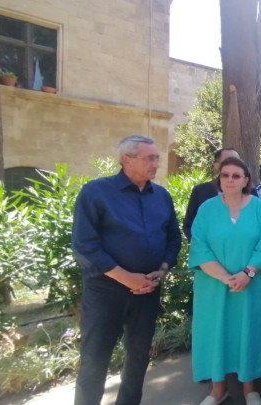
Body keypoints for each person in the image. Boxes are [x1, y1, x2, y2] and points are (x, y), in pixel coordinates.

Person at [71, 135, 182, 405]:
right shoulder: (96, 192)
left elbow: (173, 237)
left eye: (157, 158)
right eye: (150, 158)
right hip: (105, 291)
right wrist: (126, 278)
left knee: (139, 355)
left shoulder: (162, 196)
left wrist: (163, 268)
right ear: (126, 160)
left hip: (148, 289)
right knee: (95, 358)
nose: (156, 163)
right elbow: (84, 245)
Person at [188, 157, 261, 405]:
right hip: (214, 286)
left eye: (236, 175)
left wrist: (247, 274)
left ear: (246, 180)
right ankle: (218, 389)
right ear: (219, 179)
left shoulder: (258, 207)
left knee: (249, 330)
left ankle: (250, 387)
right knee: (216, 332)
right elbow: (199, 247)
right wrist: (227, 278)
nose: (230, 180)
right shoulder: (207, 209)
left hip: (251, 285)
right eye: (225, 175)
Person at [183, 147, 241, 240]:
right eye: (228, 162)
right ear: (216, 166)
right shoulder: (200, 191)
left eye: (237, 162)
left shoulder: (250, 193)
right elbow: (189, 226)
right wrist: (202, 245)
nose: (233, 166)